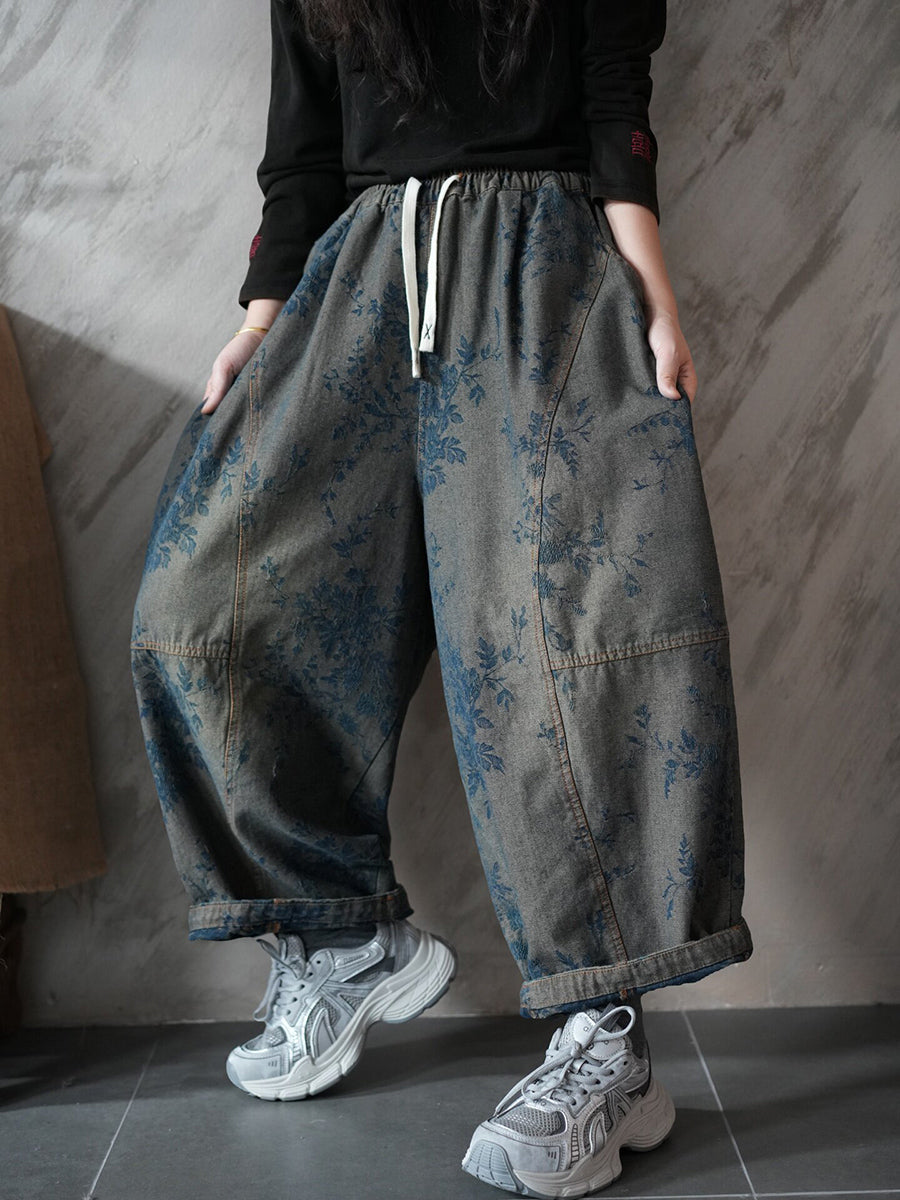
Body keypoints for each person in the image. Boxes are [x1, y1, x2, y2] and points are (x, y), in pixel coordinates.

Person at [130, 0, 753, 1193]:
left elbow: (614, 102)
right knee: (207, 609)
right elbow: (302, 149)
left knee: (562, 644)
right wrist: (260, 322)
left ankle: (609, 1039)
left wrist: (654, 295)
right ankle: (342, 938)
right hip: (355, 276)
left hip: (543, 261)